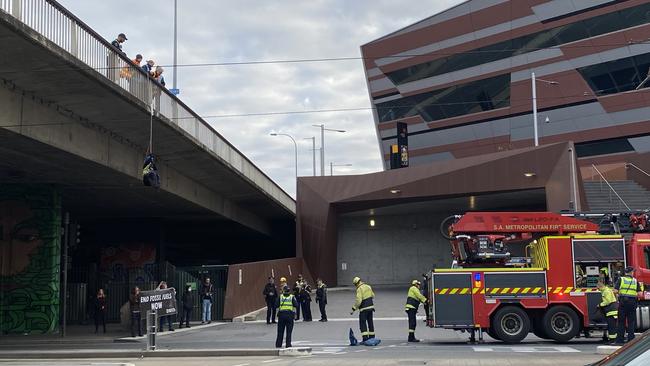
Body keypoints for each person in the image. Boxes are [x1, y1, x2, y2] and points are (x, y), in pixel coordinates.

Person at [614, 266, 642, 344]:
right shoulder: (635, 281)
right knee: (631, 322)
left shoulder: (621, 279)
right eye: (633, 272)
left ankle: (620, 340)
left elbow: (615, 291)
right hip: (632, 303)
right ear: (631, 272)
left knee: (621, 322)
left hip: (623, 302)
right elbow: (640, 294)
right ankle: (631, 340)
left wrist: (621, 294)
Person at [351, 276, 376, 342]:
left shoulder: (359, 289)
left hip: (364, 309)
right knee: (370, 322)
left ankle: (365, 338)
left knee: (362, 323)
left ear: (356, 283)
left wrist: (354, 308)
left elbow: (359, 300)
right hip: (371, 308)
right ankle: (372, 337)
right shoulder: (368, 286)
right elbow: (373, 295)